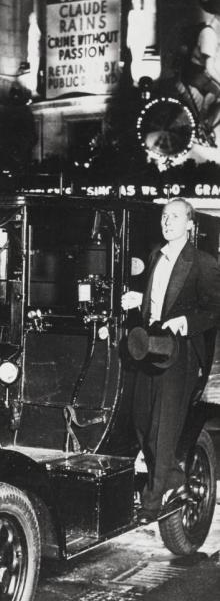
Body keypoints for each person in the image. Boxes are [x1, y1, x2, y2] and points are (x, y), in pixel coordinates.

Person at [122, 198, 220, 524]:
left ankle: (152, 502)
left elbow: (213, 310)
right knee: (140, 418)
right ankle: (173, 476)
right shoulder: (156, 256)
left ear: (190, 225)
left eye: (175, 217)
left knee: (164, 427)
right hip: (153, 347)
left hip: (182, 355)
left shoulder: (203, 262)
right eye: (165, 216)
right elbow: (158, 303)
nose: (167, 222)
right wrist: (139, 300)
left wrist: (186, 322)